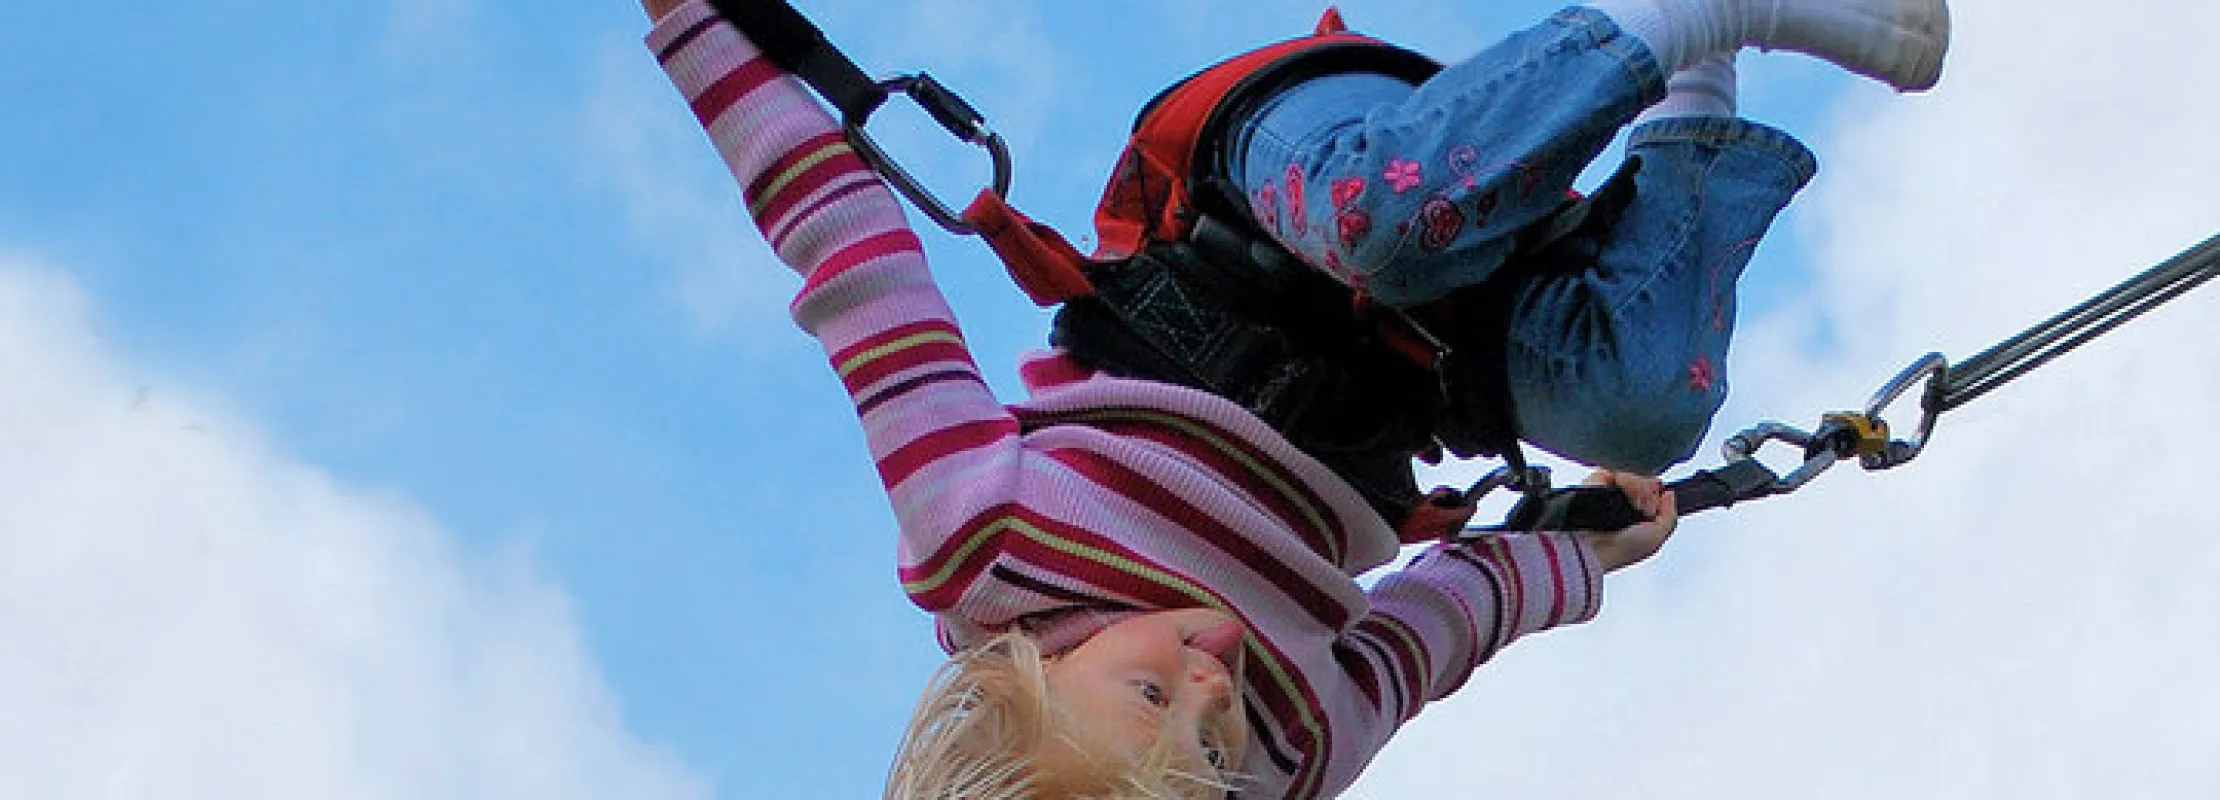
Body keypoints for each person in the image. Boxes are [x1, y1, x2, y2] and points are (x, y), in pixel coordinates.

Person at [636, 0, 1941, 796]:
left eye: (1154, 701)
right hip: (1438, 350)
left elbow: (849, 251)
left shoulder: (981, 534)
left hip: (1282, 190)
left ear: (1015, 684)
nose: (1214, 693)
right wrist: (1582, 546)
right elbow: (1436, 626)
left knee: (1387, 219)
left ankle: (1687, 14)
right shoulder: (1290, 757)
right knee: (1648, 402)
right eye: (1208, 762)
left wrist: (701, 23)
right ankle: (1699, 92)